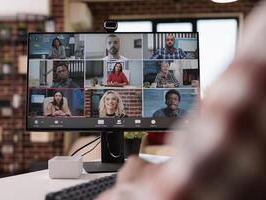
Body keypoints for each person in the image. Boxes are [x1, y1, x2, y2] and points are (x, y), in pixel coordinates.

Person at [97, 1, 266, 199]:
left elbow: (188, 186)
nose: (174, 101)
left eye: (176, 99)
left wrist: (137, 180)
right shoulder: (158, 101)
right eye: (171, 99)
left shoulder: (178, 66)